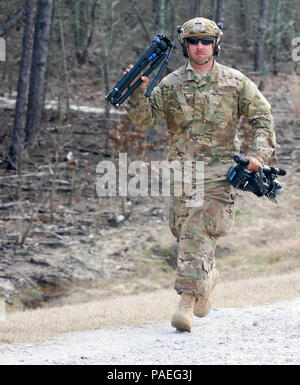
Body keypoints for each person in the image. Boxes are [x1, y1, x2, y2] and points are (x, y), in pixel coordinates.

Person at [124, 17, 276, 332]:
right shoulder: (170, 84)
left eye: (206, 40)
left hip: (221, 174)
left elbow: (261, 116)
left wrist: (258, 156)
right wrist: (137, 92)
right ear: (185, 46)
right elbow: (145, 121)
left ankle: (185, 303)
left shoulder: (236, 82)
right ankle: (206, 280)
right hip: (182, 173)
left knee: (196, 228)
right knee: (182, 232)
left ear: (215, 44)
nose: (200, 46)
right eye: (193, 41)